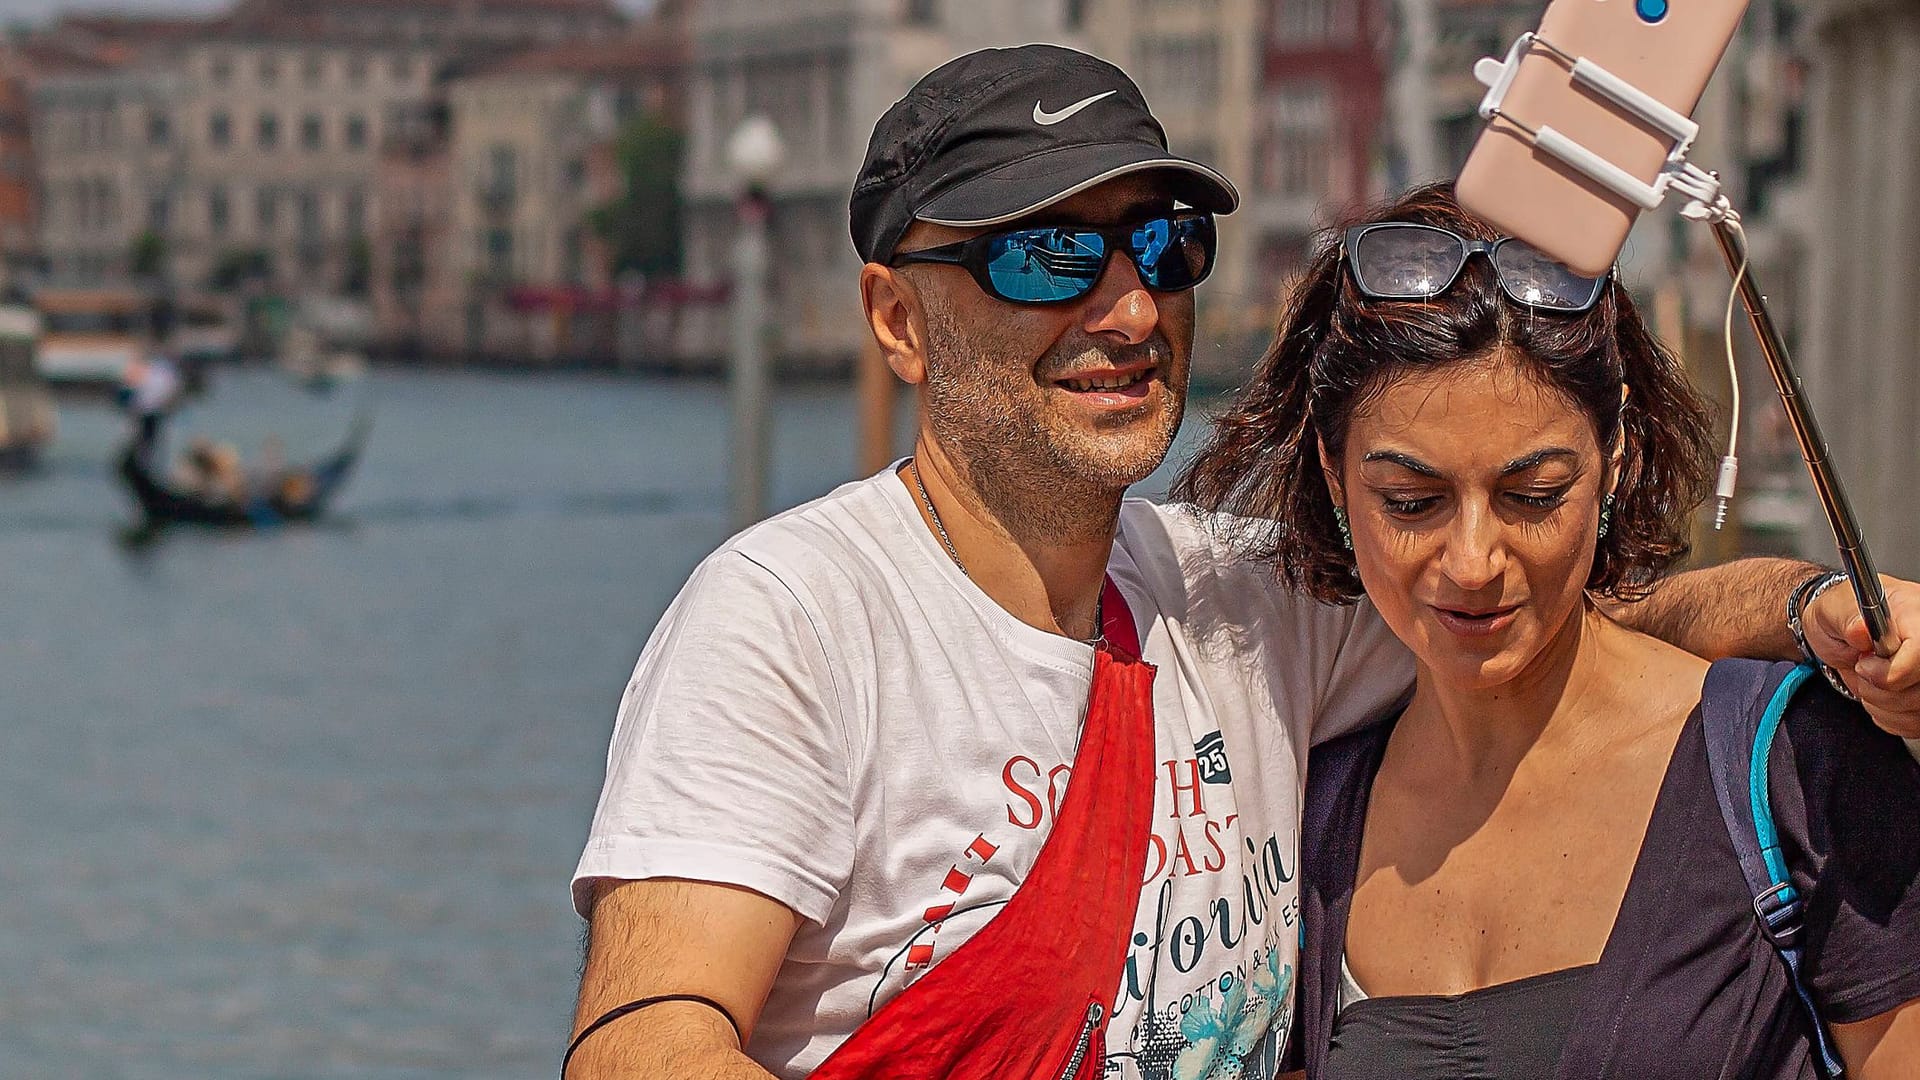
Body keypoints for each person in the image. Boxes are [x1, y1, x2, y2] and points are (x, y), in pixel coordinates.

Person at [567, 49, 1920, 1080]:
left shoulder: (1252, 609)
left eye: (1163, 244)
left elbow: (1591, 624)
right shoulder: (790, 621)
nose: (1130, 306)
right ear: (896, 320)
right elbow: (646, 1030)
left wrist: (1812, 610)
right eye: (1049, 257)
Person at [1177, 184, 1920, 1077]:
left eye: (1534, 496)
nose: (1473, 561)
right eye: (1411, 503)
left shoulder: (1795, 768)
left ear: (1617, 463)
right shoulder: (1307, 816)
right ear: (1334, 478)